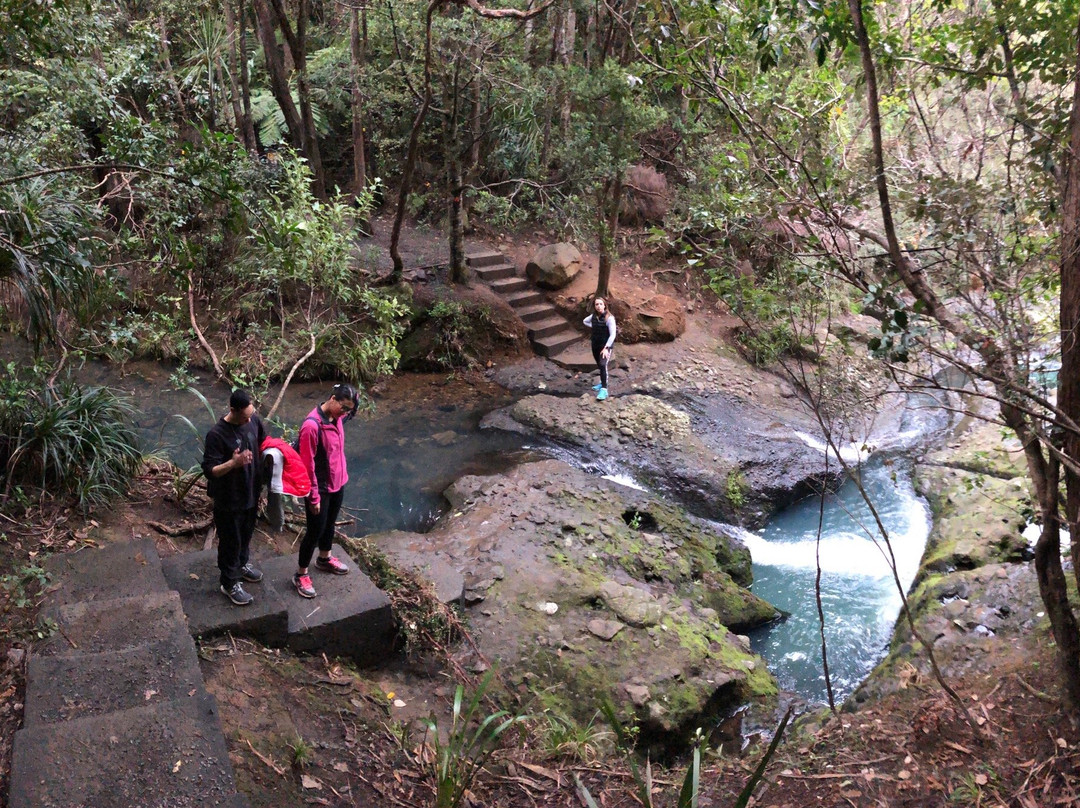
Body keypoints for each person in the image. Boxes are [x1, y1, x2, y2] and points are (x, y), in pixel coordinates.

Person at [202, 389, 267, 606]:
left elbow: (264, 444)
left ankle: (242, 565)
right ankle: (229, 583)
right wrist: (233, 463)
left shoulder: (253, 421)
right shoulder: (217, 435)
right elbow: (210, 471)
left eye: (251, 414)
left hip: (250, 493)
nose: (249, 419)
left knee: (246, 535)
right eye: (245, 415)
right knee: (231, 541)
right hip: (229, 499)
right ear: (233, 410)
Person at [293, 383, 358, 598]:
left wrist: (341, 478)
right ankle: (300, 574)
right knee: (314, 531)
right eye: (344, 407)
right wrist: (313, 496)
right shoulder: (312, 426)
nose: (346, 413)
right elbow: (306, 464)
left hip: (338, 483)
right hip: (319, 488)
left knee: (329, 525)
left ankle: (324, 558)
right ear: (332, 398)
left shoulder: (337, 418)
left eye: (349, 410)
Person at [583, 296, 617, 401]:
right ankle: (602, 382)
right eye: (596, 304)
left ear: (604, 305)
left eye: (600, 304)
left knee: (603, 364)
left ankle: (604, 389)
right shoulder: (593, 316)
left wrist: (606, 348)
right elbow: (585, 321)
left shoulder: (609, 318)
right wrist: (594, 326)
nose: (598, 306)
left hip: (605, 346)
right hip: (595, 344)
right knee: (599, 364)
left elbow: (613, 335)